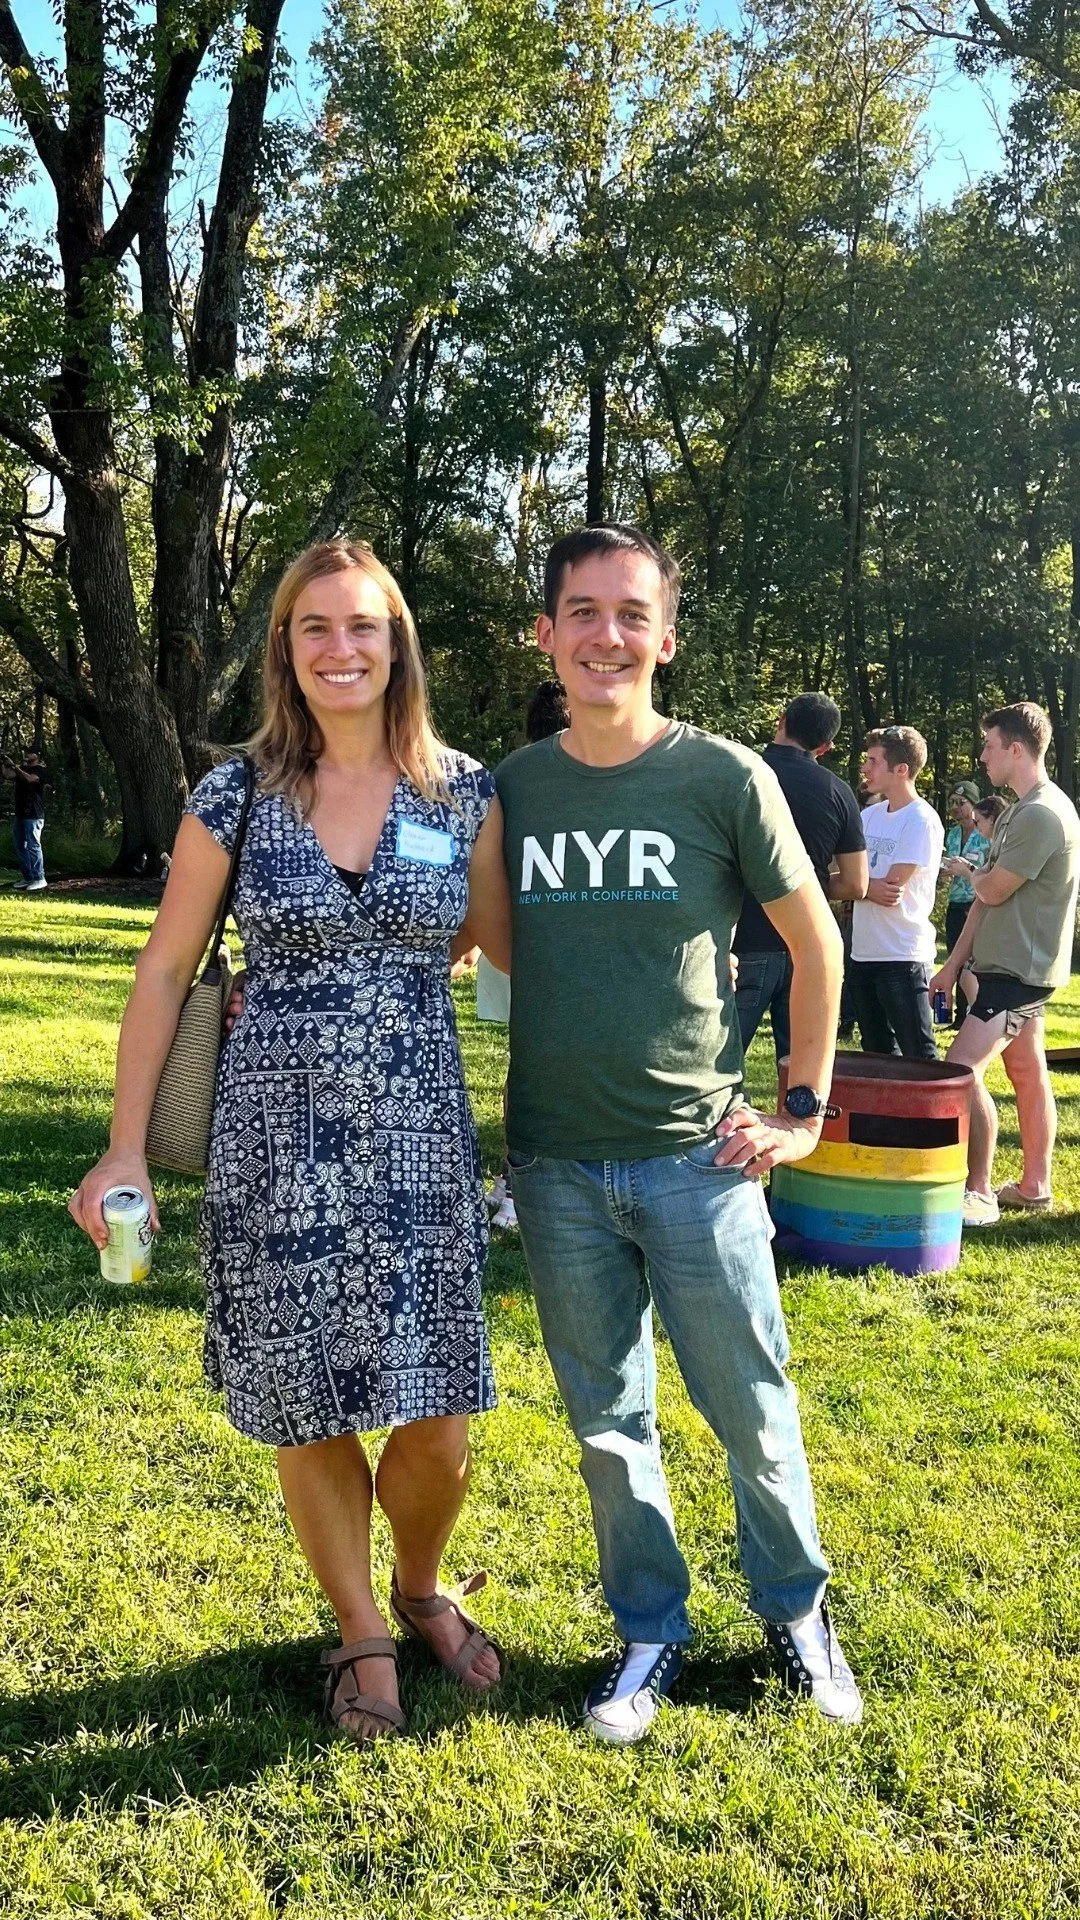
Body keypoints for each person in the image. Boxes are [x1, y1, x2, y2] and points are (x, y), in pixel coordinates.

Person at [69, 540, 511, 1744]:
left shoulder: (463, 791)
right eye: (314, 627)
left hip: (419, 1144)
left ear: (398, 644)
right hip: (275, 1146)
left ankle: (420, 1585)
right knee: (308, 1403)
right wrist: (122, 1149)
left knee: (439, 1412)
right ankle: (362, 1627)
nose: (340, 648)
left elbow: (508, 949)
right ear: (285, 649)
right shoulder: (238, 794)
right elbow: (165, 969)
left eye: (363, 626)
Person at [496, 523, 862, 1742]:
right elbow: (485, 938)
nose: (607, 636)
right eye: (583, 612)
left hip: (700, 1159)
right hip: (553, 1165)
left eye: (631, 614)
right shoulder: (511, 788)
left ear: (665, 638)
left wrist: (801, 1110)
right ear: (546, 633)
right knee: (609, 1427)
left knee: (751, 1408)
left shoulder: (725, 777)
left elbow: (816, 945)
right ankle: (649, 1628)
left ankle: (798, 1613)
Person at [929, 703, 1080, 1227]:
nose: (982, 756)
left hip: (1017, 973)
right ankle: (1035, 1186)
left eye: (989, 746)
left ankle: (978, 1191)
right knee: (1027, 1071)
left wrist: (971, 872)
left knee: (960, 1071)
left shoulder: (1042, 814)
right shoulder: (1019, 810)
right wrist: (952, 966)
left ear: (1016, 749)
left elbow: (991, 888)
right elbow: (984, 898)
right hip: (1005, 967)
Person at [480, 679, 570, 1231]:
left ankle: (516, 1181)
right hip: (529, 945)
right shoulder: (520, 783)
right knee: (542, 1066)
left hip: (508, 941)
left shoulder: (504, 781)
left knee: (526, 1063)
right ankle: (521, 1184)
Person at [734, 694, 867, 1066]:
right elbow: (857, 884)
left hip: (743, 939)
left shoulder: (740, 774)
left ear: (781, 720)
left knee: (717, 1064)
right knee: (801, 1073)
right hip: (807, 943)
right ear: (825, 747)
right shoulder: (837, 791)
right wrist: (806, 887)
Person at [847, 726, 943, 1061]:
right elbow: (844, 877)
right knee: (877, 1057)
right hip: (863, 955)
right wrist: (862, 887)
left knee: (919, 1058)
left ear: (901, 769)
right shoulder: (868, 815)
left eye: (873, 761)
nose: (865, 768)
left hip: (903, 957)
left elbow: (891, 887)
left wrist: (855, 885)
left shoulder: (921, 820)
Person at [940, 781, 991, 1027]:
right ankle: (958, 1016)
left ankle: (975, 1013)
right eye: (952, 803)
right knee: (954, 959)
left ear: (974, 804)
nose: (955, 808)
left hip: (977, 903)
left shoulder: (986, 834)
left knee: (973, 963)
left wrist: (967, 870)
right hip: (955, 903)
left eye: (961, 803)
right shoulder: (952, 834)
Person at [2, 749, 48, 891]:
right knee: (19, 846)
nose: (27, 754)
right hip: (20, 814)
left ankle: (40, 878)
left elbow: (31, 779)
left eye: (31, 752)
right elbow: (7, 775)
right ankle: (28, 877)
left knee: (33, 845)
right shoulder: (23, 769)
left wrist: (14, 766)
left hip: (34, 814)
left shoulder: (41, 770)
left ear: (38, 756)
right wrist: (4, 763)